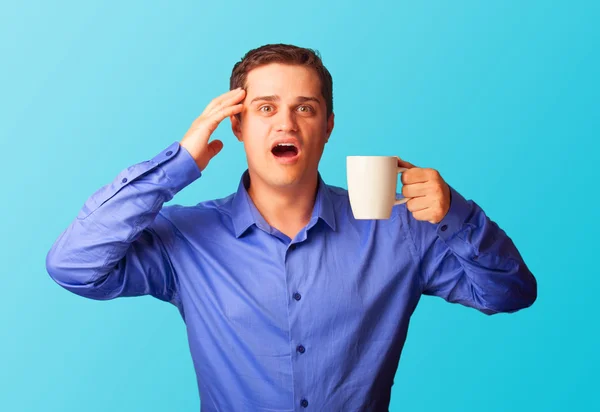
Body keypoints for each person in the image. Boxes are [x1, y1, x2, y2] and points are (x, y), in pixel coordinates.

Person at [46, 43, 537, 411]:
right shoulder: (187, 239)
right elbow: (74, 266)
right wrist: (178, 163)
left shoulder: (400, 230)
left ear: (327, 127)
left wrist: (457, 214)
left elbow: (509, 294)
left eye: (305, 108)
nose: (287, 123)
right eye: (265, 108)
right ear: (237, 126)